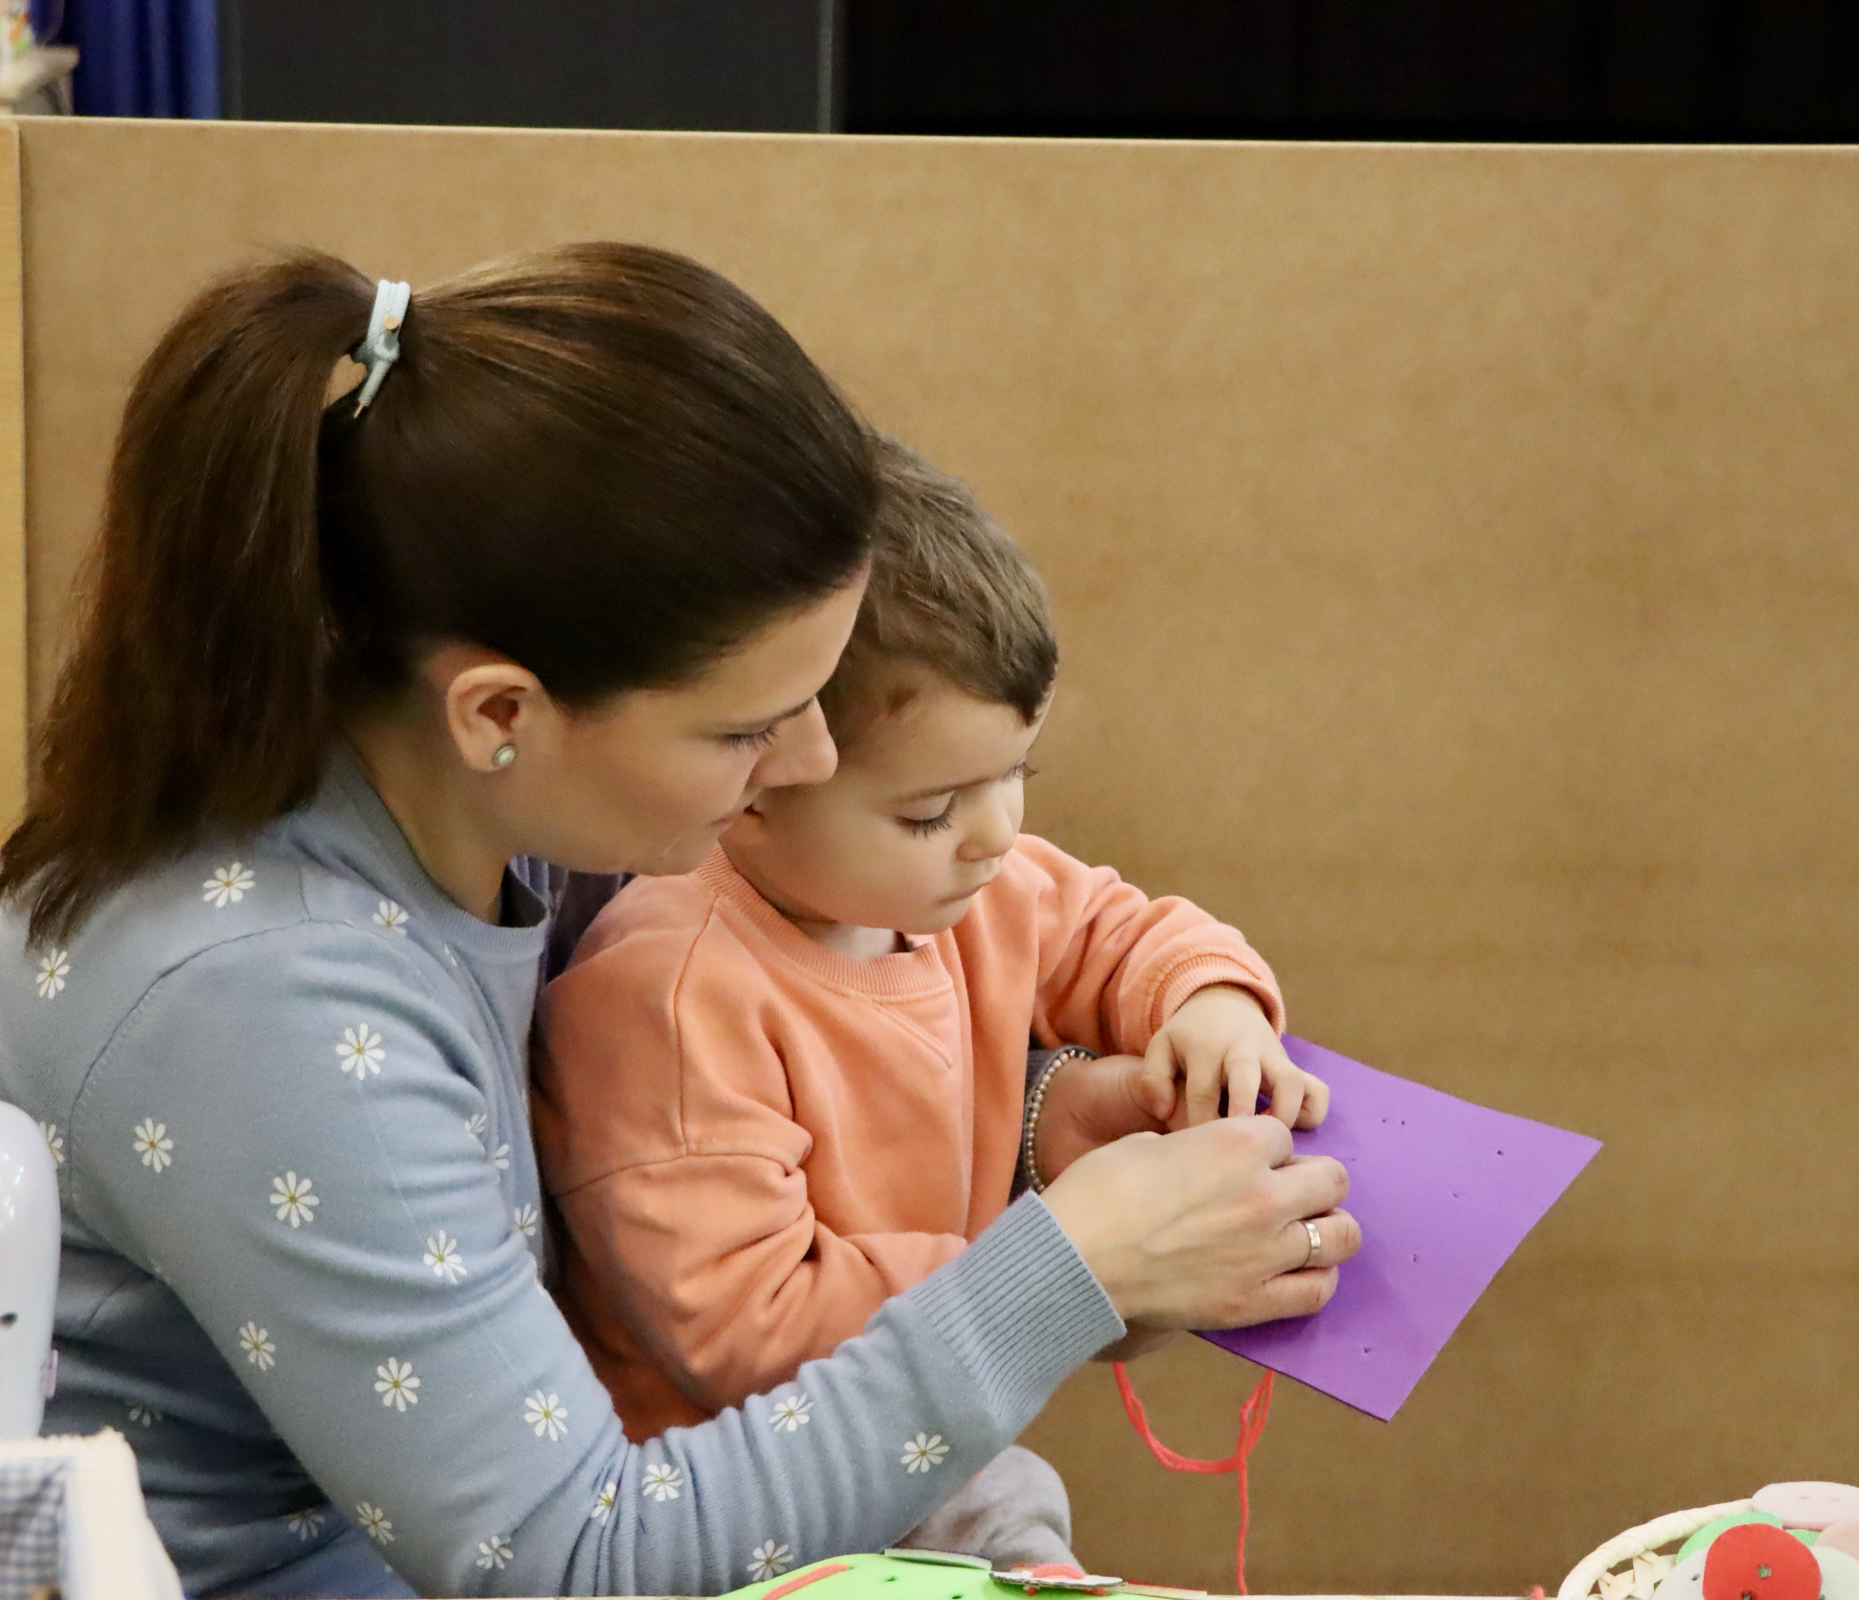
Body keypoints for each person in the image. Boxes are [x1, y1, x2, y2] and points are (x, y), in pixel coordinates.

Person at [0, 243, 1359, 1600]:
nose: (813, 768)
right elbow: (572, 1557)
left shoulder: (478, 813)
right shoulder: (264, 1000)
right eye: (747, 733)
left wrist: (1043, 1121)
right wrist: (1060, 1271)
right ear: (501, 712)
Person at [533, 437, 1333, 1569]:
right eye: (933, 808)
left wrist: (1211, 1006)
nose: (998, 833)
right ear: (754, 778)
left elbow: (1122, 929)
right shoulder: (663, 997)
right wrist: (1062, 1260)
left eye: (1019, 776)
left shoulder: (973, 885)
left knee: (1015, 1519)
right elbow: (744, 1326)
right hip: (742, 1497)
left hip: (938, 1437)